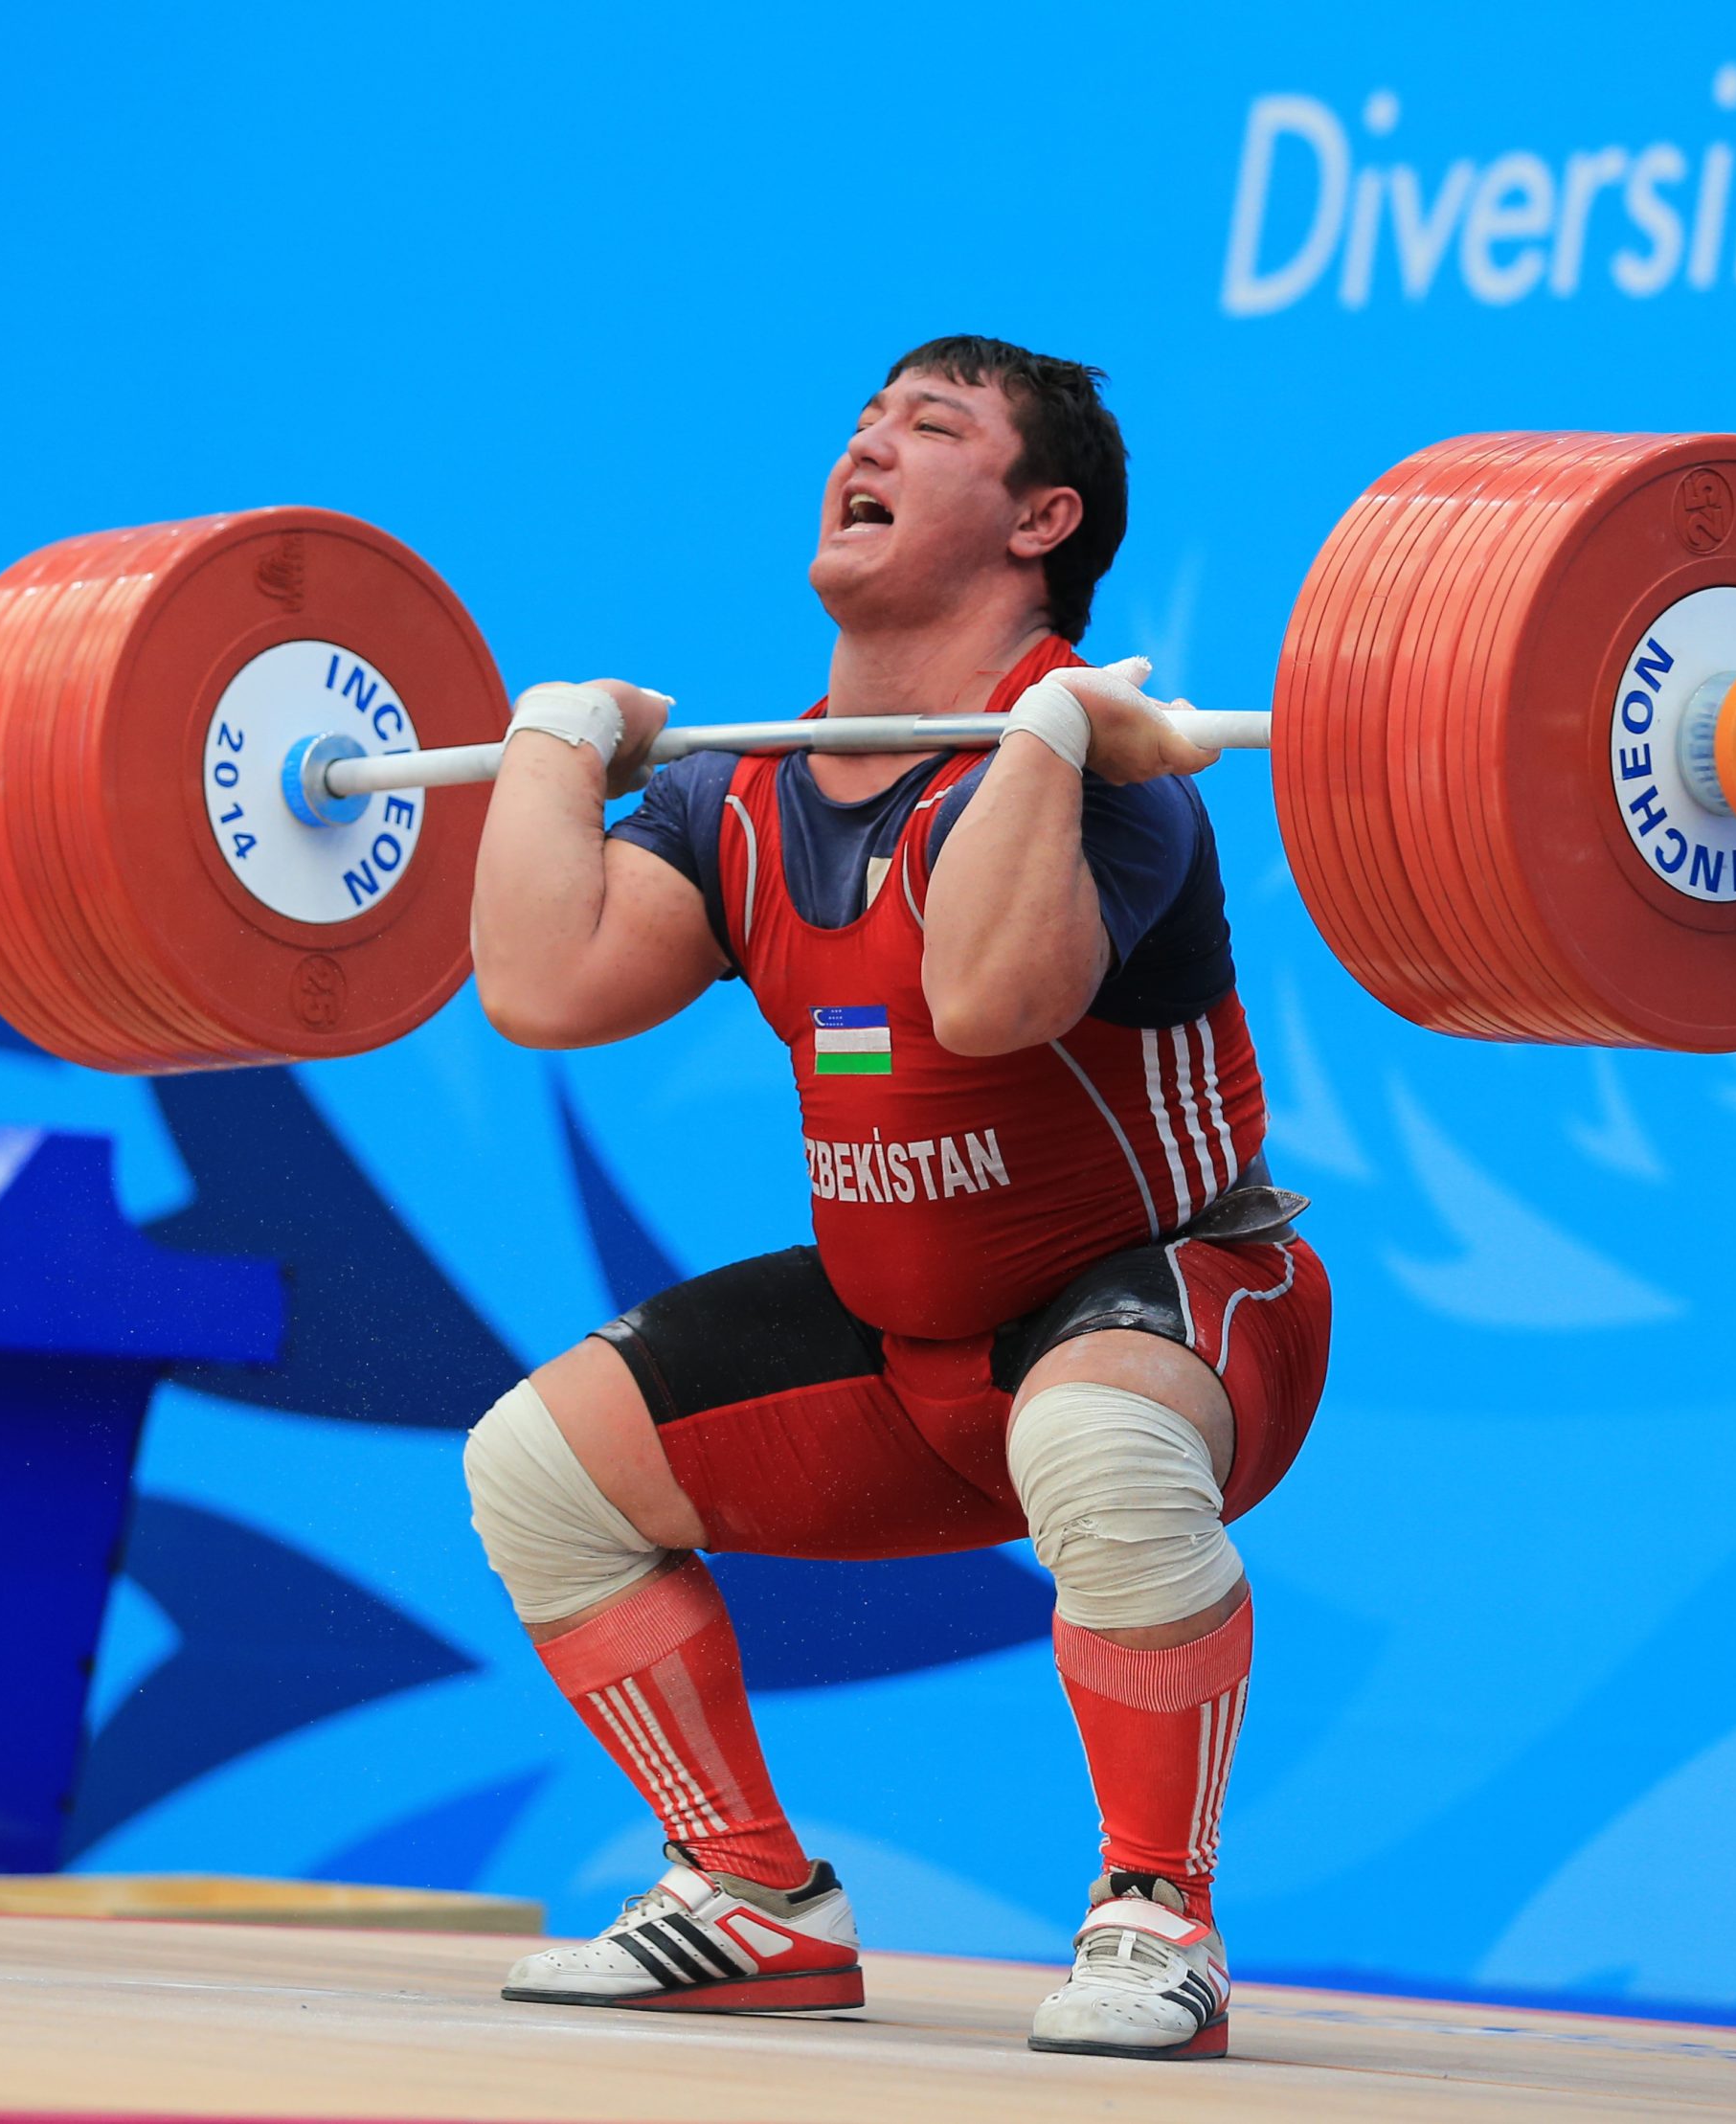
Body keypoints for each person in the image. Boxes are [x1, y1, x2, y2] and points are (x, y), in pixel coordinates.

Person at [462, 335, 1330, 2062]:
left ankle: (1156, 1914)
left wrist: (1055, 737)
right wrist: (554, 748)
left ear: (1041, 520)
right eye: (862, 422)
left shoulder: (1119, 785)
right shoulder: (743, 796)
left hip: (1173, 1312)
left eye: (930, 429)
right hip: (904, 1346)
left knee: (1091, 1448)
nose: (866, 447)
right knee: (537, 1472)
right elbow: (543, 982)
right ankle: (750, 1895)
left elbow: (991, 996)